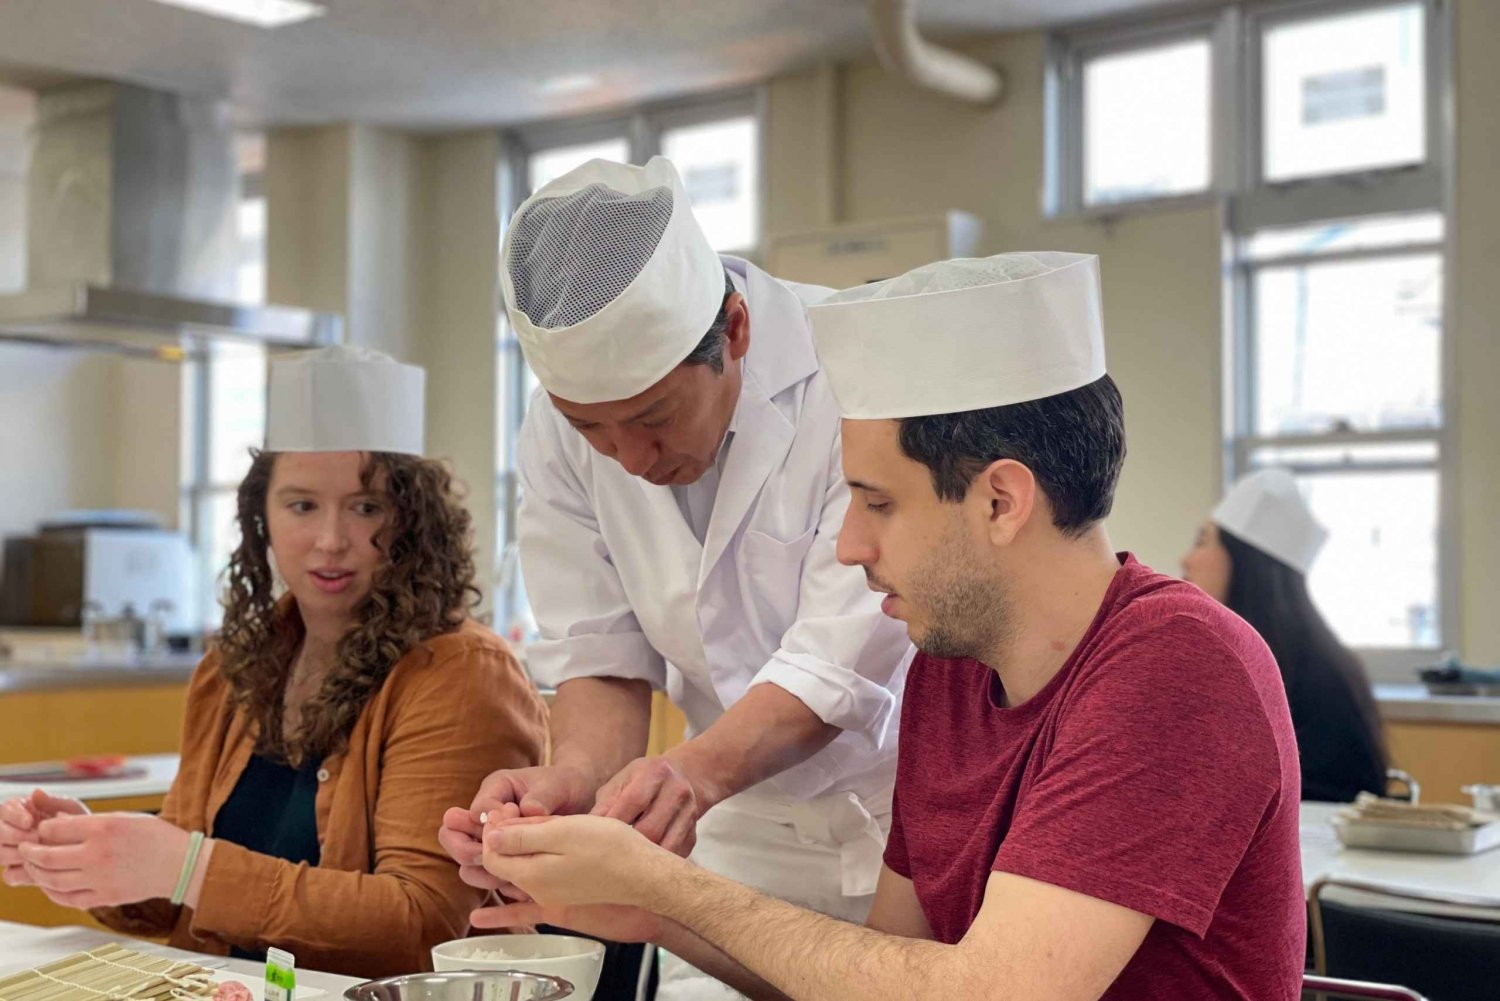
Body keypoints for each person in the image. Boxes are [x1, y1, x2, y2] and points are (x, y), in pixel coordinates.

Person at [468, 253, 1307, 1001]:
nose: (847, 544)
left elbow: (998, 991)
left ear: (999, 501)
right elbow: (882, 967)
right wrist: (650, 908)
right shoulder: (951, 671)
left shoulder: (1178, 666)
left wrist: (675, 889)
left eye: (876, 502)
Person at [439, 157, 911, 999]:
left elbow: (835, 664)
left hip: (896, 832)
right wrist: (572, 779)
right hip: (716, 847)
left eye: (654, 417)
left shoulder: (856, 371)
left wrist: (686, 775)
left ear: (735, 330)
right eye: (593, 429)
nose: (630, 458)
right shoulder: (553, 429)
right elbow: (602, 648)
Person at [0, 346, 547, 978]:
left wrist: (188, 865)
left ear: (412, 518)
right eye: (302, 504)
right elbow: (176, 903)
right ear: (261, 516)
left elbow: (424, 924)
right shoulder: (233, 668)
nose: (331, 539)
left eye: (366, 506)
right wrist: (98, 855)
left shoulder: (461, 675)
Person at [1182, 468, 1389, 803]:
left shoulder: (1300, 672)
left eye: (1202, 541)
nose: (1186, 559)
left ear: (1245, 561)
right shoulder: (1314, 655)